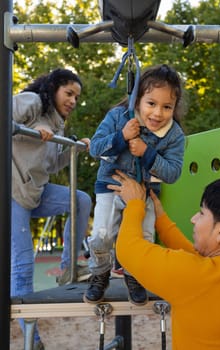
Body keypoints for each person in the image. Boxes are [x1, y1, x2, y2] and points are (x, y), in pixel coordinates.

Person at [109, 170, 220, 350]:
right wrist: (160, 219)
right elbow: (198, 261)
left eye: (201, 213)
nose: (193, 219)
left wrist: (135, 204)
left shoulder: (194, 277)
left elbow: (128, 249)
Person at [84, 64, 186, 305]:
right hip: (111, 187)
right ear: (138, 99)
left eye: (167, 107)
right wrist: (122, 137)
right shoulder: (118, 117)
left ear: (174, 108)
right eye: (151, 103)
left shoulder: (174, 135)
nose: (158, 113)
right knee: (101, 236)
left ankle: (135, 275)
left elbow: (172, 173)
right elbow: (96, 148)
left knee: (144, 240)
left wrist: (147, 153)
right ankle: (100, 273)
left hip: (144, 194)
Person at [11, 68, 92, 350]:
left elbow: (51, 164)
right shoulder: (32, 102)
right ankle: (32, 341)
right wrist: (32, 130)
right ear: (53, 88)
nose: (73, 101)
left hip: (36, 191)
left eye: (76, 97)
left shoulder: (58, 124)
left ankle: (68, 267)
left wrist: (72, 149)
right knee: (22, 265)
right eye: (68, 93)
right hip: (12, 191)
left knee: (81, 200)